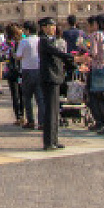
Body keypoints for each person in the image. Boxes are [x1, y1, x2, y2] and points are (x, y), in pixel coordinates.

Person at [38, 17, 74, 150]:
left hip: (55, 77)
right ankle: (49, 142)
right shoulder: (44, 41)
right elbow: (57, 53)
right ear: (44, 27)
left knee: (54, 110)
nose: (53, 28)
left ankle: (54, 139)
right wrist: (72, 57)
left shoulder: (51, 40)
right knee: (51, 111)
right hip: (50, 78)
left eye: (54, 26)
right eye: (50, 26)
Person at [16, 22, 43, 129]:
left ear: (27, 30)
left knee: (27, 97)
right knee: (40, 98)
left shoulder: (24, 41)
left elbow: (18, 56)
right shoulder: (41, 40)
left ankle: (30, 121)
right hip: (39, 70)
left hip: (27, 70)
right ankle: (41, 122)